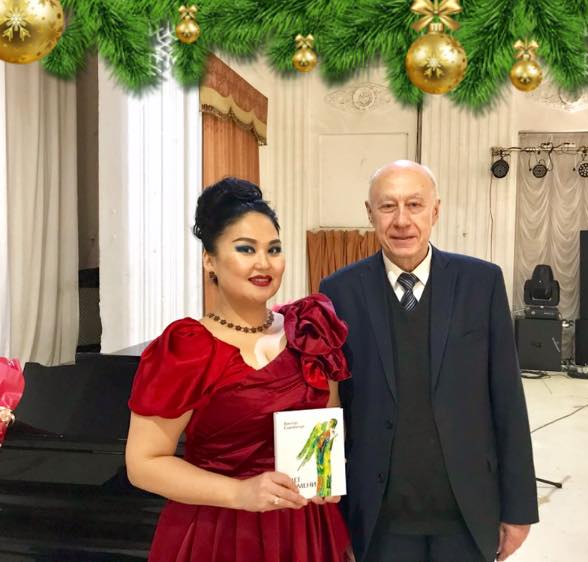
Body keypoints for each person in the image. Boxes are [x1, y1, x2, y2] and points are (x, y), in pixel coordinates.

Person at [319, 160, 539, 562]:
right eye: (388, 206)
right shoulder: (339, 291)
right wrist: (332, 512)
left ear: (435, 211)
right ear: (370, 213)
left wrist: (519, 508)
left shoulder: (481, 283)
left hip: (466, 511)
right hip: (379, 516)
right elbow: (330, 405)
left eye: (415, 205)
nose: (402, 220)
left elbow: (507, 399)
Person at [125, 177, 351, 562]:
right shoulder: (185, 348)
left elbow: (326, 426)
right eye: (246, 249)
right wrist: (240, 493)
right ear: (209, 259)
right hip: (221, 532)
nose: (264, 262)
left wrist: (327, 473)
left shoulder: (310, 330)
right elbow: (143, 464)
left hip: (305, 528)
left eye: (273, 249)